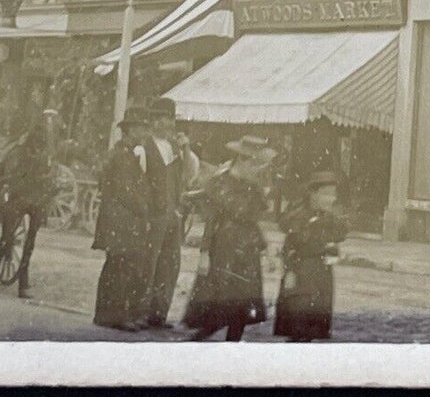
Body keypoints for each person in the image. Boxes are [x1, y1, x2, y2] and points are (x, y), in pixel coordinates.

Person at [183, 134, 275, 341]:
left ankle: (232, 344)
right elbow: (212, 220)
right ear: (241, 160)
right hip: (224, 247)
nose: (257, 170)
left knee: (242, 306)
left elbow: (253, 220)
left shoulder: (253, 187)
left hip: (247, 249)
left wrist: (267, 249)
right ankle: (198, 339)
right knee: (220, 303)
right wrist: (205, 253)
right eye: (254, 164)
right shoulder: (220, 183)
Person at [92, 104, 153, 331]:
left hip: (120, 219)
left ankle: (106, 314)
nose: (144, 133)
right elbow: (126, 192)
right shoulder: (121, 157)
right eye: (140, 129)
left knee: (116, 265)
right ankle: (115, 315)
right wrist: (144, 209)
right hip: (120, 220)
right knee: (120, 266)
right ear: (128, 132)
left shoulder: (125, 155)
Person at [274, 171, 349, 342]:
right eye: (326, 194)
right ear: (313, 194)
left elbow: (340, 234)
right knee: (297, 325)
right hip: (301, 273)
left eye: (333, 195)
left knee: (312, 327)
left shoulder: (329, 218)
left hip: (321, 275)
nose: (331, 199)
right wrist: (289, 272)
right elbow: (289, 247)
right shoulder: (298, 217)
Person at [0, 107, 56, 298]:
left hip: (36, 194)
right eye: (48, 118)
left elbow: (50, 165)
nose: (49, 121)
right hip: (22, 193)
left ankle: (23, 279)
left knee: (30, 241)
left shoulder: (50, 145)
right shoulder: (25, 146)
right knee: (8, 234)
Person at [139, 96, 191, 328]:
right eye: (163, 118)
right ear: (154, 121)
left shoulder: (174, 148)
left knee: (170, 263)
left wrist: (185, 149)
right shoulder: (144, 146)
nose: (169, 123)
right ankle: (140, 312)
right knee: (148, 262)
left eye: (170, 118)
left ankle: (159, 314)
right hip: (154, 214)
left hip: (173, 213)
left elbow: (187, 176)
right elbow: (139, 183)